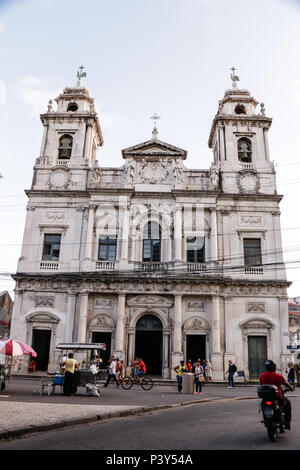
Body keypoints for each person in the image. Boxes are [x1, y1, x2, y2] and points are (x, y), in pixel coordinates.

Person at [260, 359, 293, 430]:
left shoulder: (262, 375)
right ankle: (287, 423)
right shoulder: (278, 376)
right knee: (288, 404)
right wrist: (291, 388)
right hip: (277, 398)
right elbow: (286, 384)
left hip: (265, 398)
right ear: (274, 367)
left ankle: (266, 419)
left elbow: (261, 384)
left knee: (263, 407)